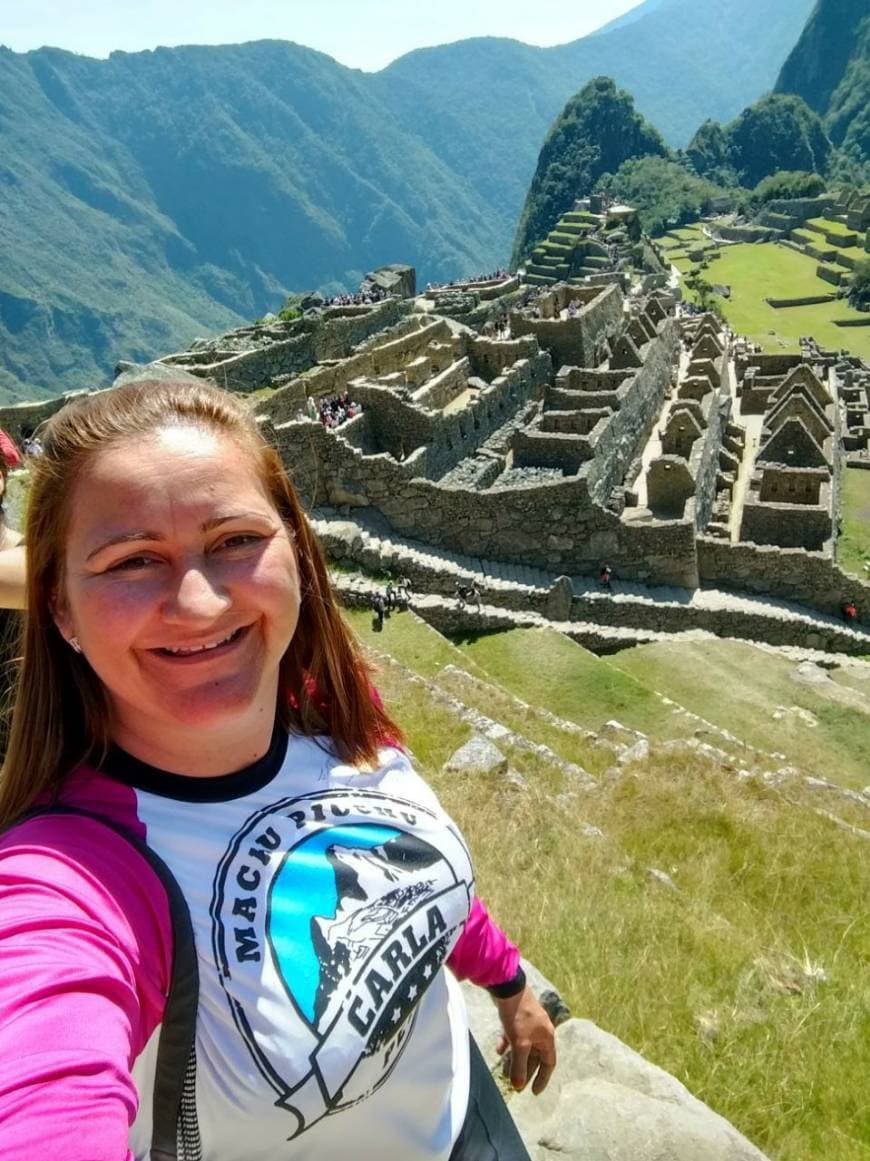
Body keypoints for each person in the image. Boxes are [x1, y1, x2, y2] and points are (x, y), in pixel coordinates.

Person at [0, 379, 554, 1161]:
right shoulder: (77, 879)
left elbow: (406, 863)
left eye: (233, 540)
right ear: (60, 610)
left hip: (464, 1121)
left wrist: (509, 985)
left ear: (296, 549)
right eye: (133, 560)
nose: (196, 602)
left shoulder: (324, 704)